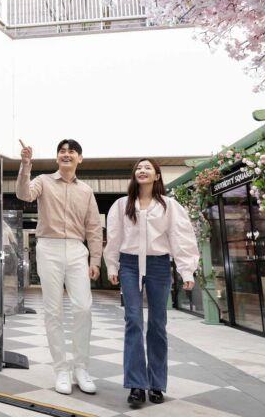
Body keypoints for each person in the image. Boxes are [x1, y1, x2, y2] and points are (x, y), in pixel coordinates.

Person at [104, 158, 199, 407]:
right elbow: (114, 237)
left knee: (158, 324)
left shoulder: (170, 206)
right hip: (130, 264)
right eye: (138, 167)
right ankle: (136, 385)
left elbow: (181, 237)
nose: (142, 170)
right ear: (134, 175)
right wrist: (112, 265)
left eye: (148, 167)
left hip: (159, 265)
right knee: (133, 320)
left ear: (157, 176)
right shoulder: (121, 205)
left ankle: (156, 383)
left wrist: (186, 270)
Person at [17, 139, 102, 395]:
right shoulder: (43, 181)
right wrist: (25, 165)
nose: (66, 155)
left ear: (80, 159)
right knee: (53, 311)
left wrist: (95, 260)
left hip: (77, 249)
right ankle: (61, 369)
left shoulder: (86, 191)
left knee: (83, 308)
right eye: (62, 152)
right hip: (49, 247)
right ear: (57, 158)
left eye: (71, 152)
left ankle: (81, 368)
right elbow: (23, 194)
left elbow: (93, 227)